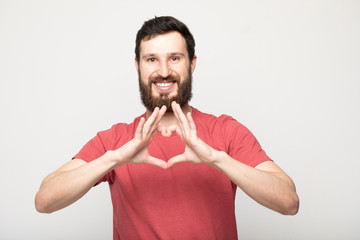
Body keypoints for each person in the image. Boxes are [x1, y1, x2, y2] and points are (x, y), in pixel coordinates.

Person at [35, 16, 299, 239]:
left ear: (192, 63)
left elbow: (288, 202)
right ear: (137, 66)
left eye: (174, 58)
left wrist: (217, 159)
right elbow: (45, 200)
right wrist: (114, 158)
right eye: (151, 60)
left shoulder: (226, 131)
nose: (163, 71)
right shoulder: (116, 140)